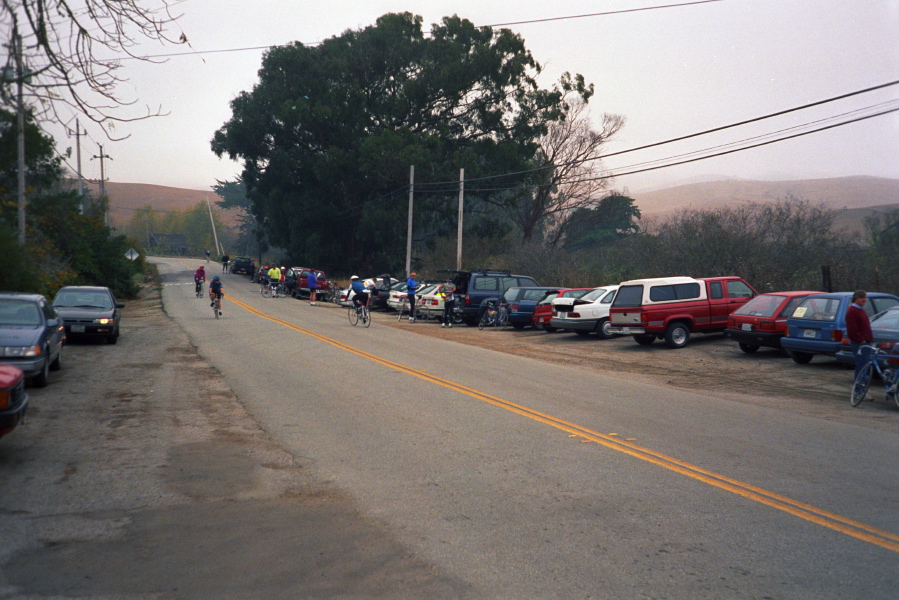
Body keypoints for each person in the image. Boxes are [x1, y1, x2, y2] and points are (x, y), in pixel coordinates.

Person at [846, 289, 874, 388]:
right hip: (859, 344)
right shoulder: (852, 311)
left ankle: (862, 389)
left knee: (865, 366)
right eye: (862, 298)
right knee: (861, 367)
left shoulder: (860, 310)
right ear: (856, 299)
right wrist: (861, 340)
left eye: (865, 298)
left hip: (866, 343)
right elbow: (852, 329)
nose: (864, 300)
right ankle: (859, 391)